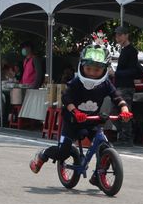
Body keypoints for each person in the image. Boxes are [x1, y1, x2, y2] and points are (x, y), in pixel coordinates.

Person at [30, 39, 133, 176]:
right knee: (63, 153)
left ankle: (98, 176)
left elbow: (117, 97)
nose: (92, 72)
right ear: (81, 66)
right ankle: (43, 155)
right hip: (72, 122)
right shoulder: (76, 82)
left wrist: (124, 110)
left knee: (106, 148)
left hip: (91, 122)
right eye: (88, 68)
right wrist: (75, 111)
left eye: (97, 69)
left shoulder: (105, 84)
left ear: (105, 69)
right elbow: (66, 98)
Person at [113, 26, 143, 146]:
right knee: (115, 113)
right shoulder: (124, 50)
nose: (118, 37)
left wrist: (116, 73)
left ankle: (127, 138)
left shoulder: (131, 51)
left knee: (123, 113)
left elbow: (132, 71)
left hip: (126, 87)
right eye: (116, 35)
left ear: (126, 35)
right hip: (120, 86)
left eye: (120, 35)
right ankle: (126, 135)